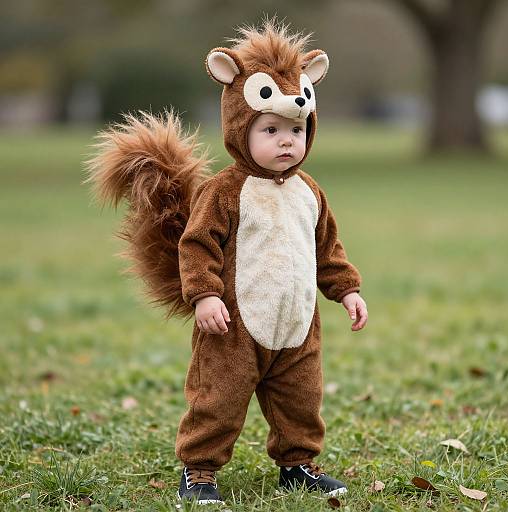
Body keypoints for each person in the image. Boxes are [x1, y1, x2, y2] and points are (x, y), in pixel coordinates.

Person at [86, 17, 368, 507]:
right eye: (271, 128)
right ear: (241, 125)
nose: (286, 141)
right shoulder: (226, 191)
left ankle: (297, 465)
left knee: (302, 402)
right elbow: (196, 245)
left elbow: (328, 249)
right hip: (233, 324)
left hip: (298, 324)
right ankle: (199, 471)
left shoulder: (310, 193)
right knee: (216, 399)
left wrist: (347, 290)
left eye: (296, 130)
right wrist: (205, 295)